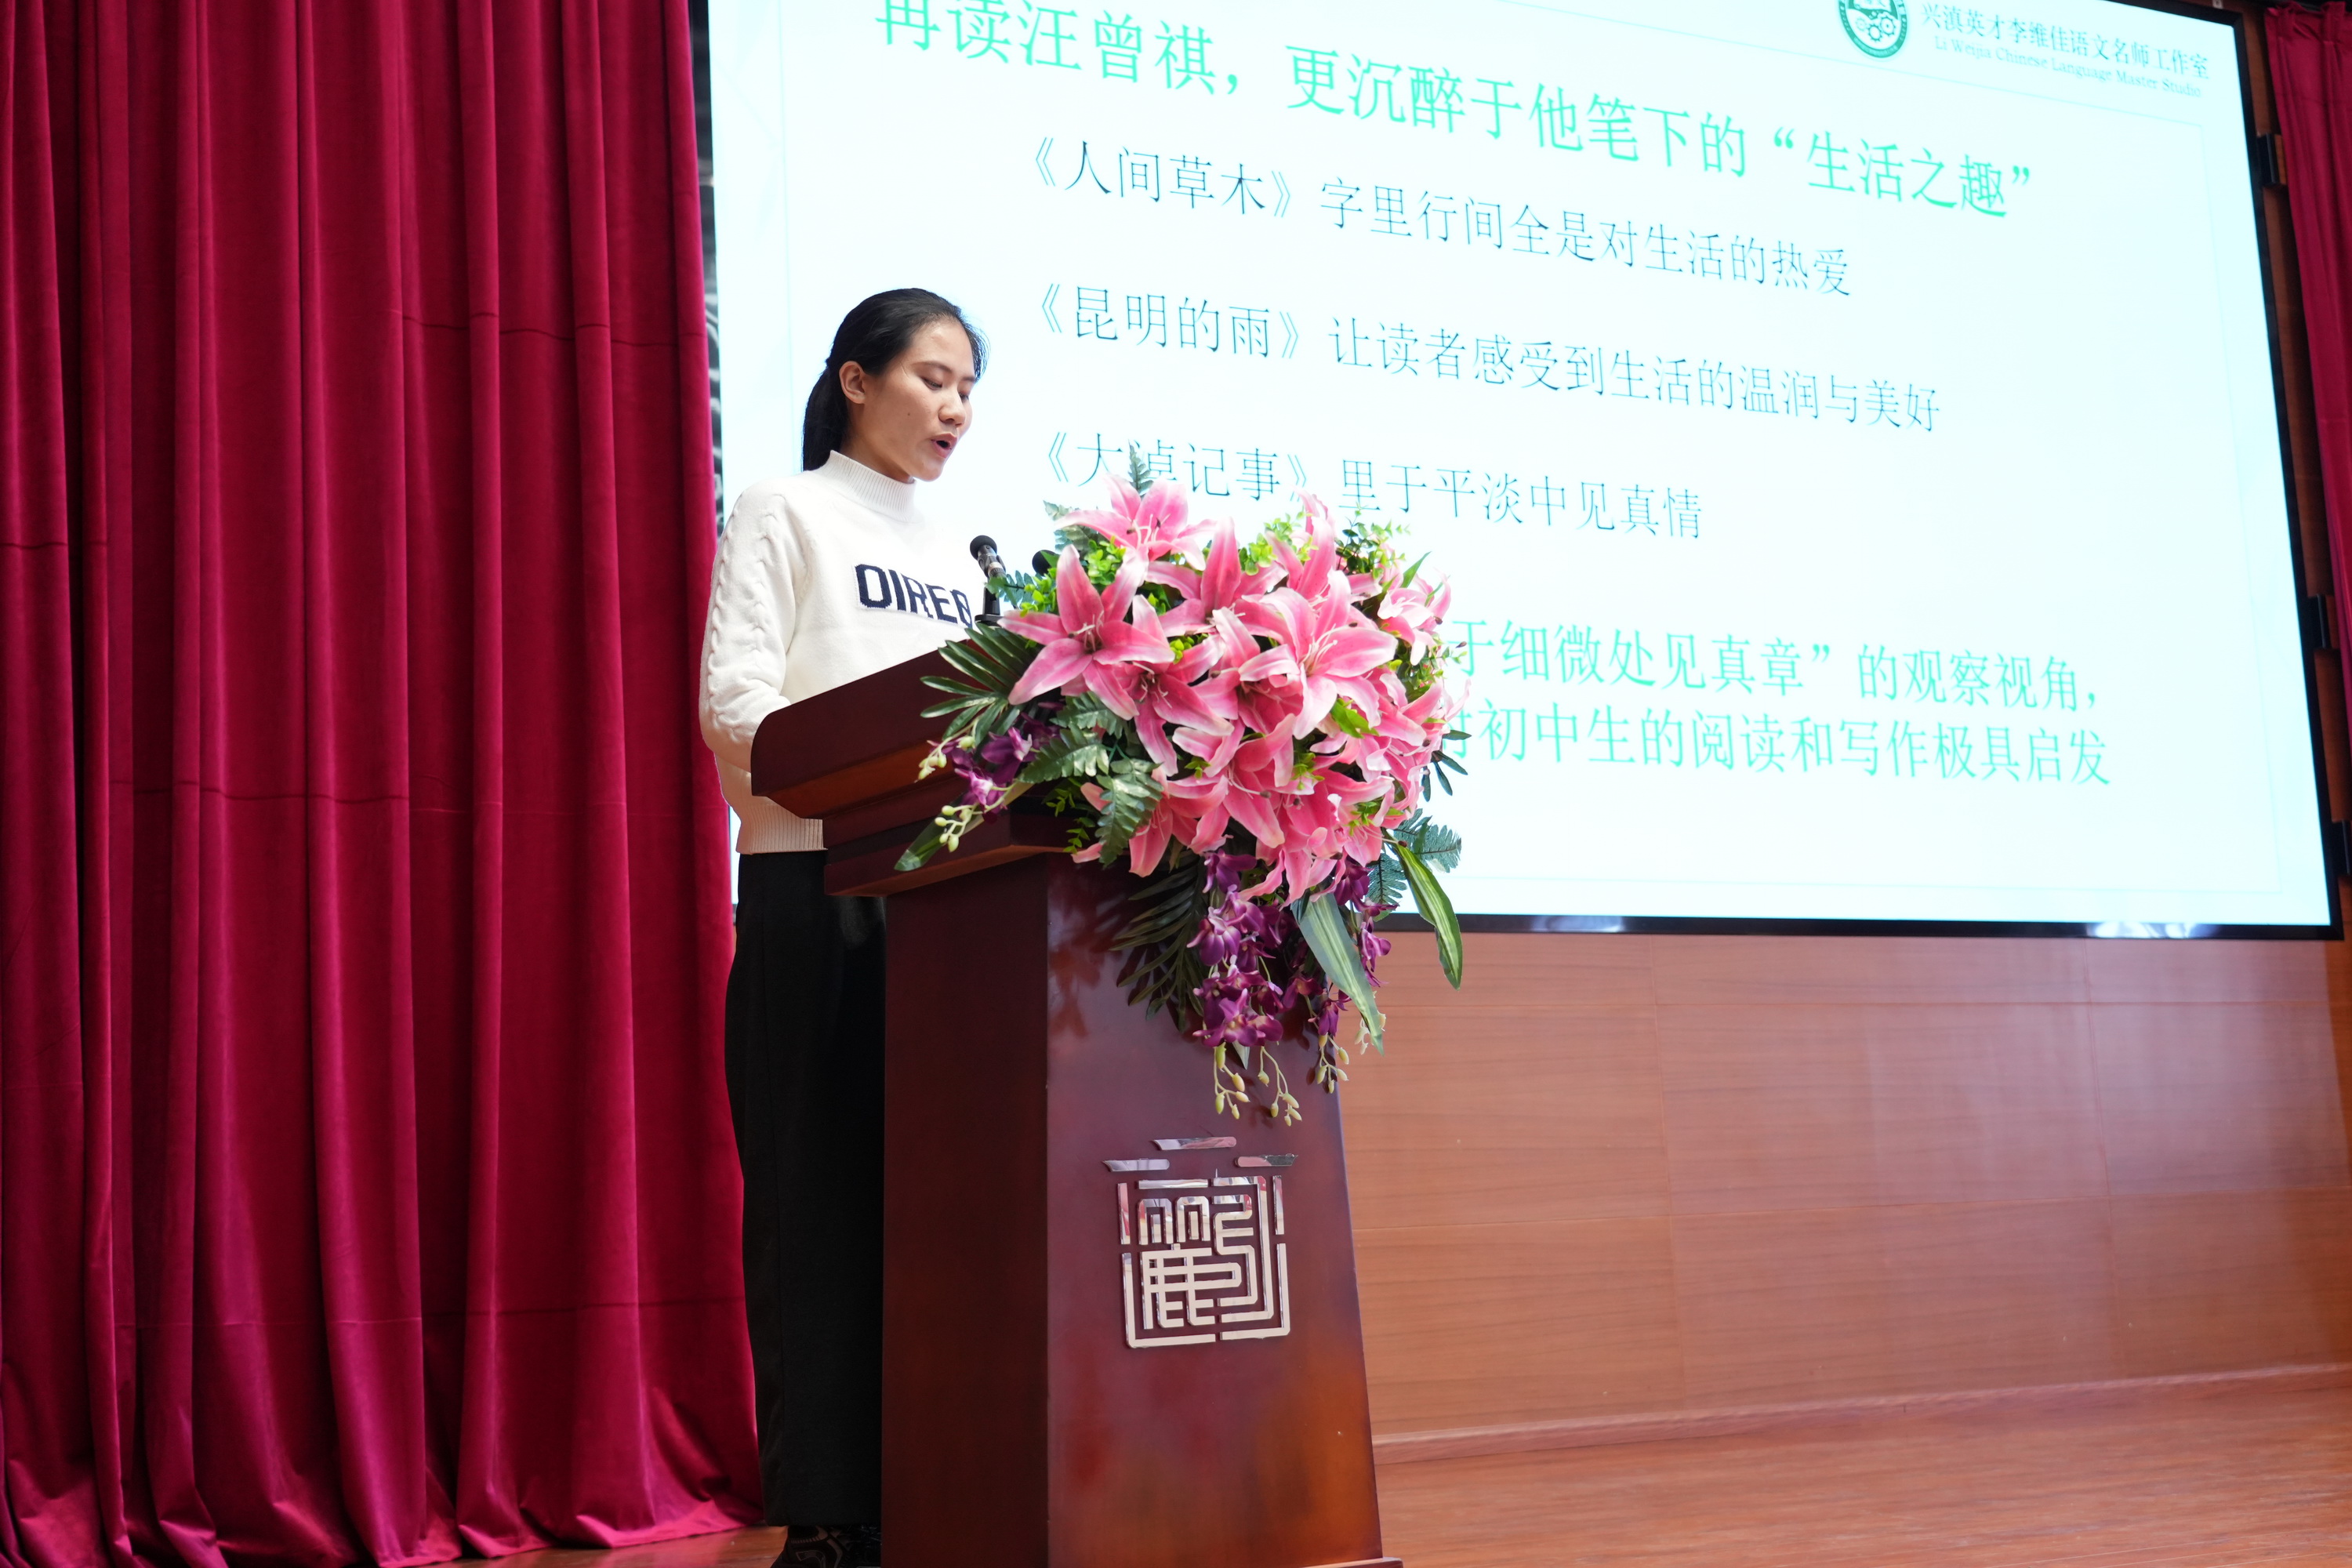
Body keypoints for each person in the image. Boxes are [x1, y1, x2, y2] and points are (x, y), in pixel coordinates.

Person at [699, 288, 987, 1568]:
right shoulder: (787, 509)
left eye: (969, 389)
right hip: (814, 894)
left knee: (935, 1214)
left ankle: (938, 1486)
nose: (956, 408)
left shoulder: (970, 555)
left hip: (947, 913)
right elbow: (734, 705)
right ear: (857, 381)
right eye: (933, 378)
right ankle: (829, 1517)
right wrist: (869, 780)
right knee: (816, 1209)